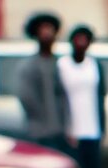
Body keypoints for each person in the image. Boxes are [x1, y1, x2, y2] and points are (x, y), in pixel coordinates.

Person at [15, 12, 71, 156]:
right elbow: (26, 96)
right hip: (39, 133)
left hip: (60, 132)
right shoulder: (29, 66)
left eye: (50, 29)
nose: (47, 34)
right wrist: (41, 124)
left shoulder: (60, 63)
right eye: (43, 30)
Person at [57, 25, 107, 168]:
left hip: (93, 131)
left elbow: (101, 96)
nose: (81, 43)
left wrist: (102, 127)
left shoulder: (94, 65)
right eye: (78, 39)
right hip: (71, 132)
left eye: (85, 39)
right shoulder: (62, 65)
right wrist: (65, 128)